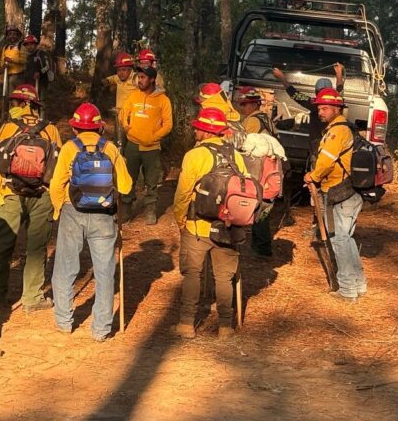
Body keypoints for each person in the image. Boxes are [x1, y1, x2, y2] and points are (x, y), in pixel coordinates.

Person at [49, 103, 132, 342]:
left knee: (65, 268)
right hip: (105, 216)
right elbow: (126, 186)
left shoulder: (68, 148)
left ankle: (64, 322)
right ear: (100, 128)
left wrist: (58, 210)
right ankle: (101, 330)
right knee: (105, 272)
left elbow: (57, 185)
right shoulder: (111, 150)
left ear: (75, 128)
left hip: (72, 211)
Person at [173, 106, 249, 340]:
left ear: (206, 131)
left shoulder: (195, 155)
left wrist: (181, 219)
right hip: (227, 226)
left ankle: (186, 324)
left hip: (197, 226)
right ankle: (225, 327)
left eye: (198, 128)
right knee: (224, 277)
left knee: (192, 274)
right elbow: (244, 189)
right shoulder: (235, 155)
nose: (195, 131)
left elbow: (183, 193)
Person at [0, 84, 62, 311]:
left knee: (1, 246)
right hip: (42, 195)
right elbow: (57, 167)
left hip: (11, 193)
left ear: (24, 104)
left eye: (15, 102)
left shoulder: (8, 128)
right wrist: (55, 199)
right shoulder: (51, 129)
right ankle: (32, 298)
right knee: (36, 248)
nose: (12, 106)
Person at [303, 87, 365, 302]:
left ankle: (347, 290)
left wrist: (313, 176)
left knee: (339, 239)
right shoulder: (345, 128)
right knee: (346, 238)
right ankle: (358, 284)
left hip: (341, 191)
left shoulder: (337, 131)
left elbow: (326, 161)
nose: (321, 111)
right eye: (319, 108)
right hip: (350, 191)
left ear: (337, 109)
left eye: (325, 108)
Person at [118, 66, 173, 225]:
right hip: (132, 145)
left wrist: (153, 137)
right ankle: (126, 210)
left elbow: (168, 124)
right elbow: (124, 113)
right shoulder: (134, 96)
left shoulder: (163, 100)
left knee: (152, 181)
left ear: (152, 80)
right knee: (128, 178)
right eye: (139, 77)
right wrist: (126, 125)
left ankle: (150, 210)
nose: (139, 80)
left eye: (142, 77)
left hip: (152, 148)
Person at [272, 62, 345, 168]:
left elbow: (295, 94)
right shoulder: (336, 102)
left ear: (316, 92)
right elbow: (340, 90)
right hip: (334, 148)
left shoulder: (314, 103)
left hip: (318, 149)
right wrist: (339, 73)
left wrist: (282, 77)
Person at [235, 85, 278, 258]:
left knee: (258, 207)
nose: (242, 108)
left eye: (244, 105)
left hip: (257, 168)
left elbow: (243, 145)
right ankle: (259, 246)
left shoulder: (252, 121)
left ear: (253, 104)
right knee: (262, 205)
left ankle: (262, 249)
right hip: (269, 169)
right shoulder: (266, 118)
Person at [0, 26, 28, 91]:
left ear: (18, 36)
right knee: (7, 95)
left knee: (19, 96)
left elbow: (24, 60)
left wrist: (12, 60)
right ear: (7, 36)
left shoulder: (21, 47)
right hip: (7, 75)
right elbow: (2, 60)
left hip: (19, 76)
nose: (12, 36)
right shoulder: (5, 48)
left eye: (14, 34)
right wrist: (3, 65)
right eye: (10, 34)